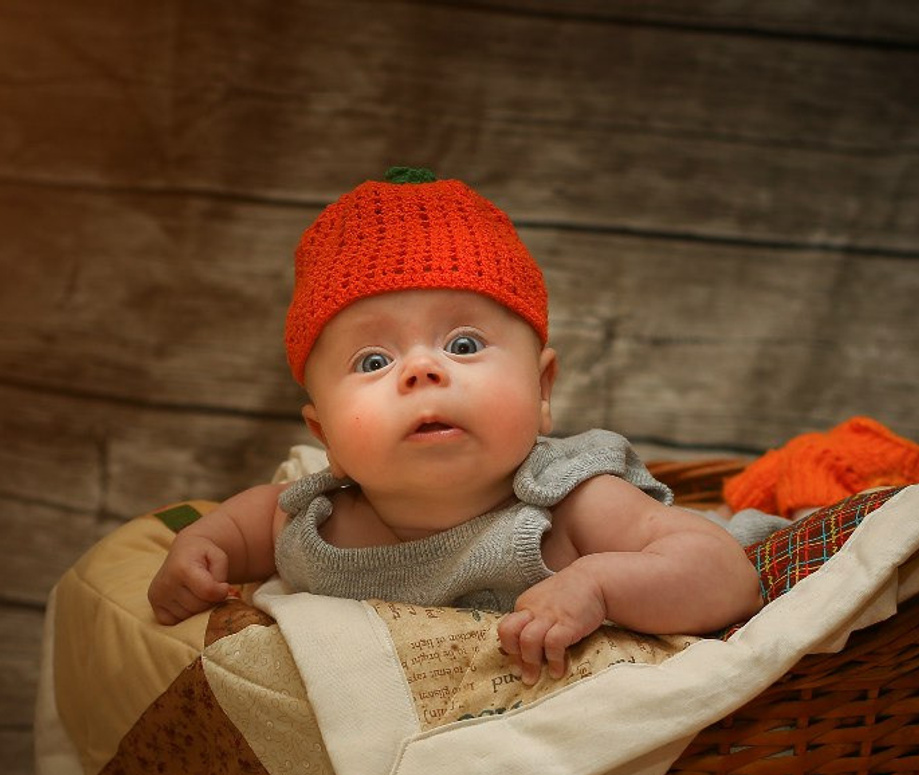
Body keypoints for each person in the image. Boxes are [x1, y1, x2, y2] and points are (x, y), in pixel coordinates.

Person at [148, 167, 764, 683]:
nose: (422, 370)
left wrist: (599, 584)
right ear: (327, 437)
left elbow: (728, 578)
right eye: (374, 361)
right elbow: (246, 520)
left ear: (542, 390)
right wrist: (203, 547)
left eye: (464, 344)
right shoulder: (317, 522)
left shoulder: (568, 501)